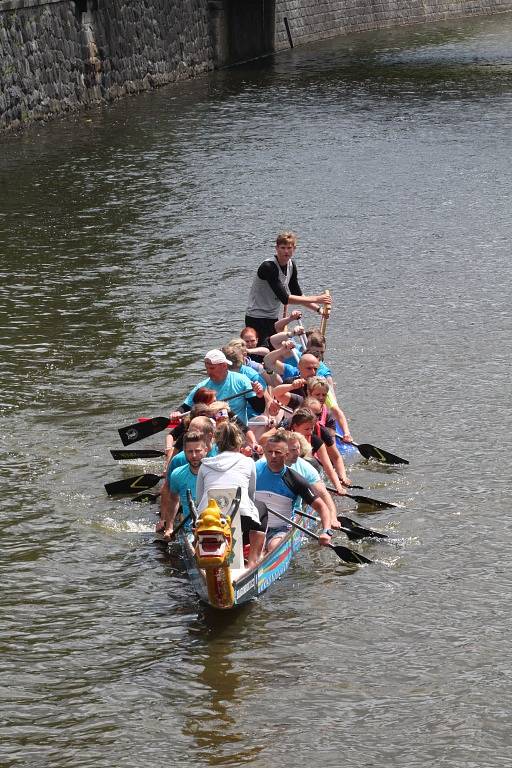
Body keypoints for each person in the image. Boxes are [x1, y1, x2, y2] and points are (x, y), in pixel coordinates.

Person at [195, 422, 266, 569]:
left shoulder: (205, 464)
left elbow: (199, 498)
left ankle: (205, 556)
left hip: (209, 519)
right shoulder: (248, 461)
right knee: (261, 508)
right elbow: (251, 495)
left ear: (217, 443)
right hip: (240, 516)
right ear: (239, 441)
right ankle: (252, 562)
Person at [245, 231, 332, 343]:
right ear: (276, 248)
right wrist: (318, 298)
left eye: (289, 248)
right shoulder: (268, 267)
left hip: (272, 317)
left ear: (294, 248)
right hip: (256, 317)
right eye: (283, 247)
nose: (286, 251)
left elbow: (298, 295)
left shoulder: (291, 265)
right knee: (264, 353)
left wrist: (319, 309)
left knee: (275, 350)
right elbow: (285, 298)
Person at [255, 433, 333, 553]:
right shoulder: (254, 470)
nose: (273, 456)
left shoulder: (295, 479)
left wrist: (326, 531)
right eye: (269, 452)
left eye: (278, 452)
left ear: (286, 455)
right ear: (265, 452)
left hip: (280, 529)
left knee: (273, 547)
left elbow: (322, 507)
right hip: (254, 526)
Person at [174, 349, 265, 425]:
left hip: (237, 429)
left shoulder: (241, 380)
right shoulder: (202, 387)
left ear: (224, 366)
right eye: (207, 368)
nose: (208, 372)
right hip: (211, 431)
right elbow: (185, 407)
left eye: (212, 368)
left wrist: (260, 395)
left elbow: (259, 409)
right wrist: (178, 413)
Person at [159, 431, 208, 539]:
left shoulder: (216, 473)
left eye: (198, 451)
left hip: (214, 526)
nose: (194, 455)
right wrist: (169, 527)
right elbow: (173, 500)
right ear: (184, 452)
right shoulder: (177, 474)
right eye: (190, 451)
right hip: (189, 529)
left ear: (206, 450)